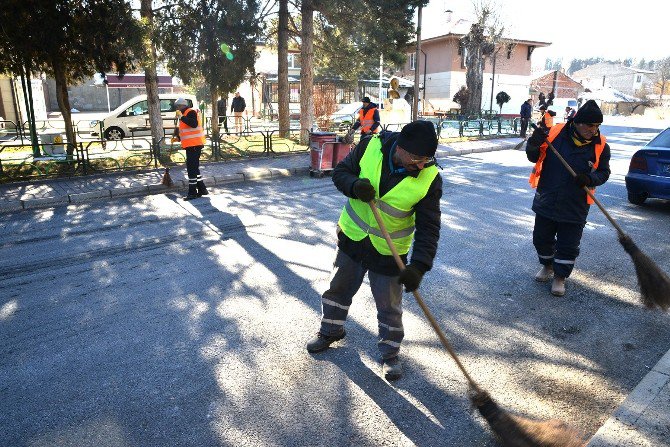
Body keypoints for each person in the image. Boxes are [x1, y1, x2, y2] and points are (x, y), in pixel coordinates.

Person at [306, 120, 443, 381]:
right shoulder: (371, 146)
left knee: (389, 306)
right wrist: (354, 186)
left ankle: (390, 354)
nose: (421, 165)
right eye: (417, 159)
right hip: (353, 239)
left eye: (427, 159)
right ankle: (331, 330)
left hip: (389, 252)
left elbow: (429, 227)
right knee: (338, 289)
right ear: (401, 149)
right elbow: (341, 173)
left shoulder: (429, 178)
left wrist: (420, 265)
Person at [526, 100, 611, 296]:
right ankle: (547, 266)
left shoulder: (601, 145)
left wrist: (590, 178)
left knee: (568, 243)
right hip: (547, 196)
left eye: (597, 126)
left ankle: (560, 277)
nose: (594, 130)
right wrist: (534, 141)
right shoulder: (556, 133)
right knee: (541, 238)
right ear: (578, 122)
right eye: (590, 125)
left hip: (576, 204)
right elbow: (533, 156)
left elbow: (604, 172)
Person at [172, 97, 208, 200]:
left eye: (178, 107)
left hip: (194, 145)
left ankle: (192, 193)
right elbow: (185, 129)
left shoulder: (191, 112)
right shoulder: (184, 114)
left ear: (182, 105)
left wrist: (181, 117)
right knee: (194, 168)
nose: (177, 108)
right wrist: (178, 138)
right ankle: (202, 189)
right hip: (191, 145)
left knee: (191, 169)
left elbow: (193, 124)